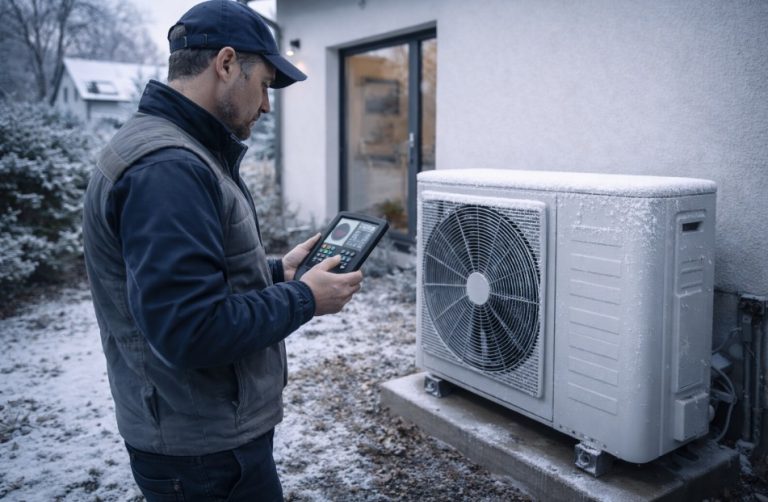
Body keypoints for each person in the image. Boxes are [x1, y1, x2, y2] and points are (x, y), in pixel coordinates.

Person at [82, 1, 363, 500]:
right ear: (227, 64)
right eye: (264, 86)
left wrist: (278, 273)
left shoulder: (172, 150)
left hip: (196, 434)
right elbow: (191, 329)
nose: (266, 106)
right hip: (203, 455)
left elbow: (186, 287)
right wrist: (305, 299)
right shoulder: (168, 168)